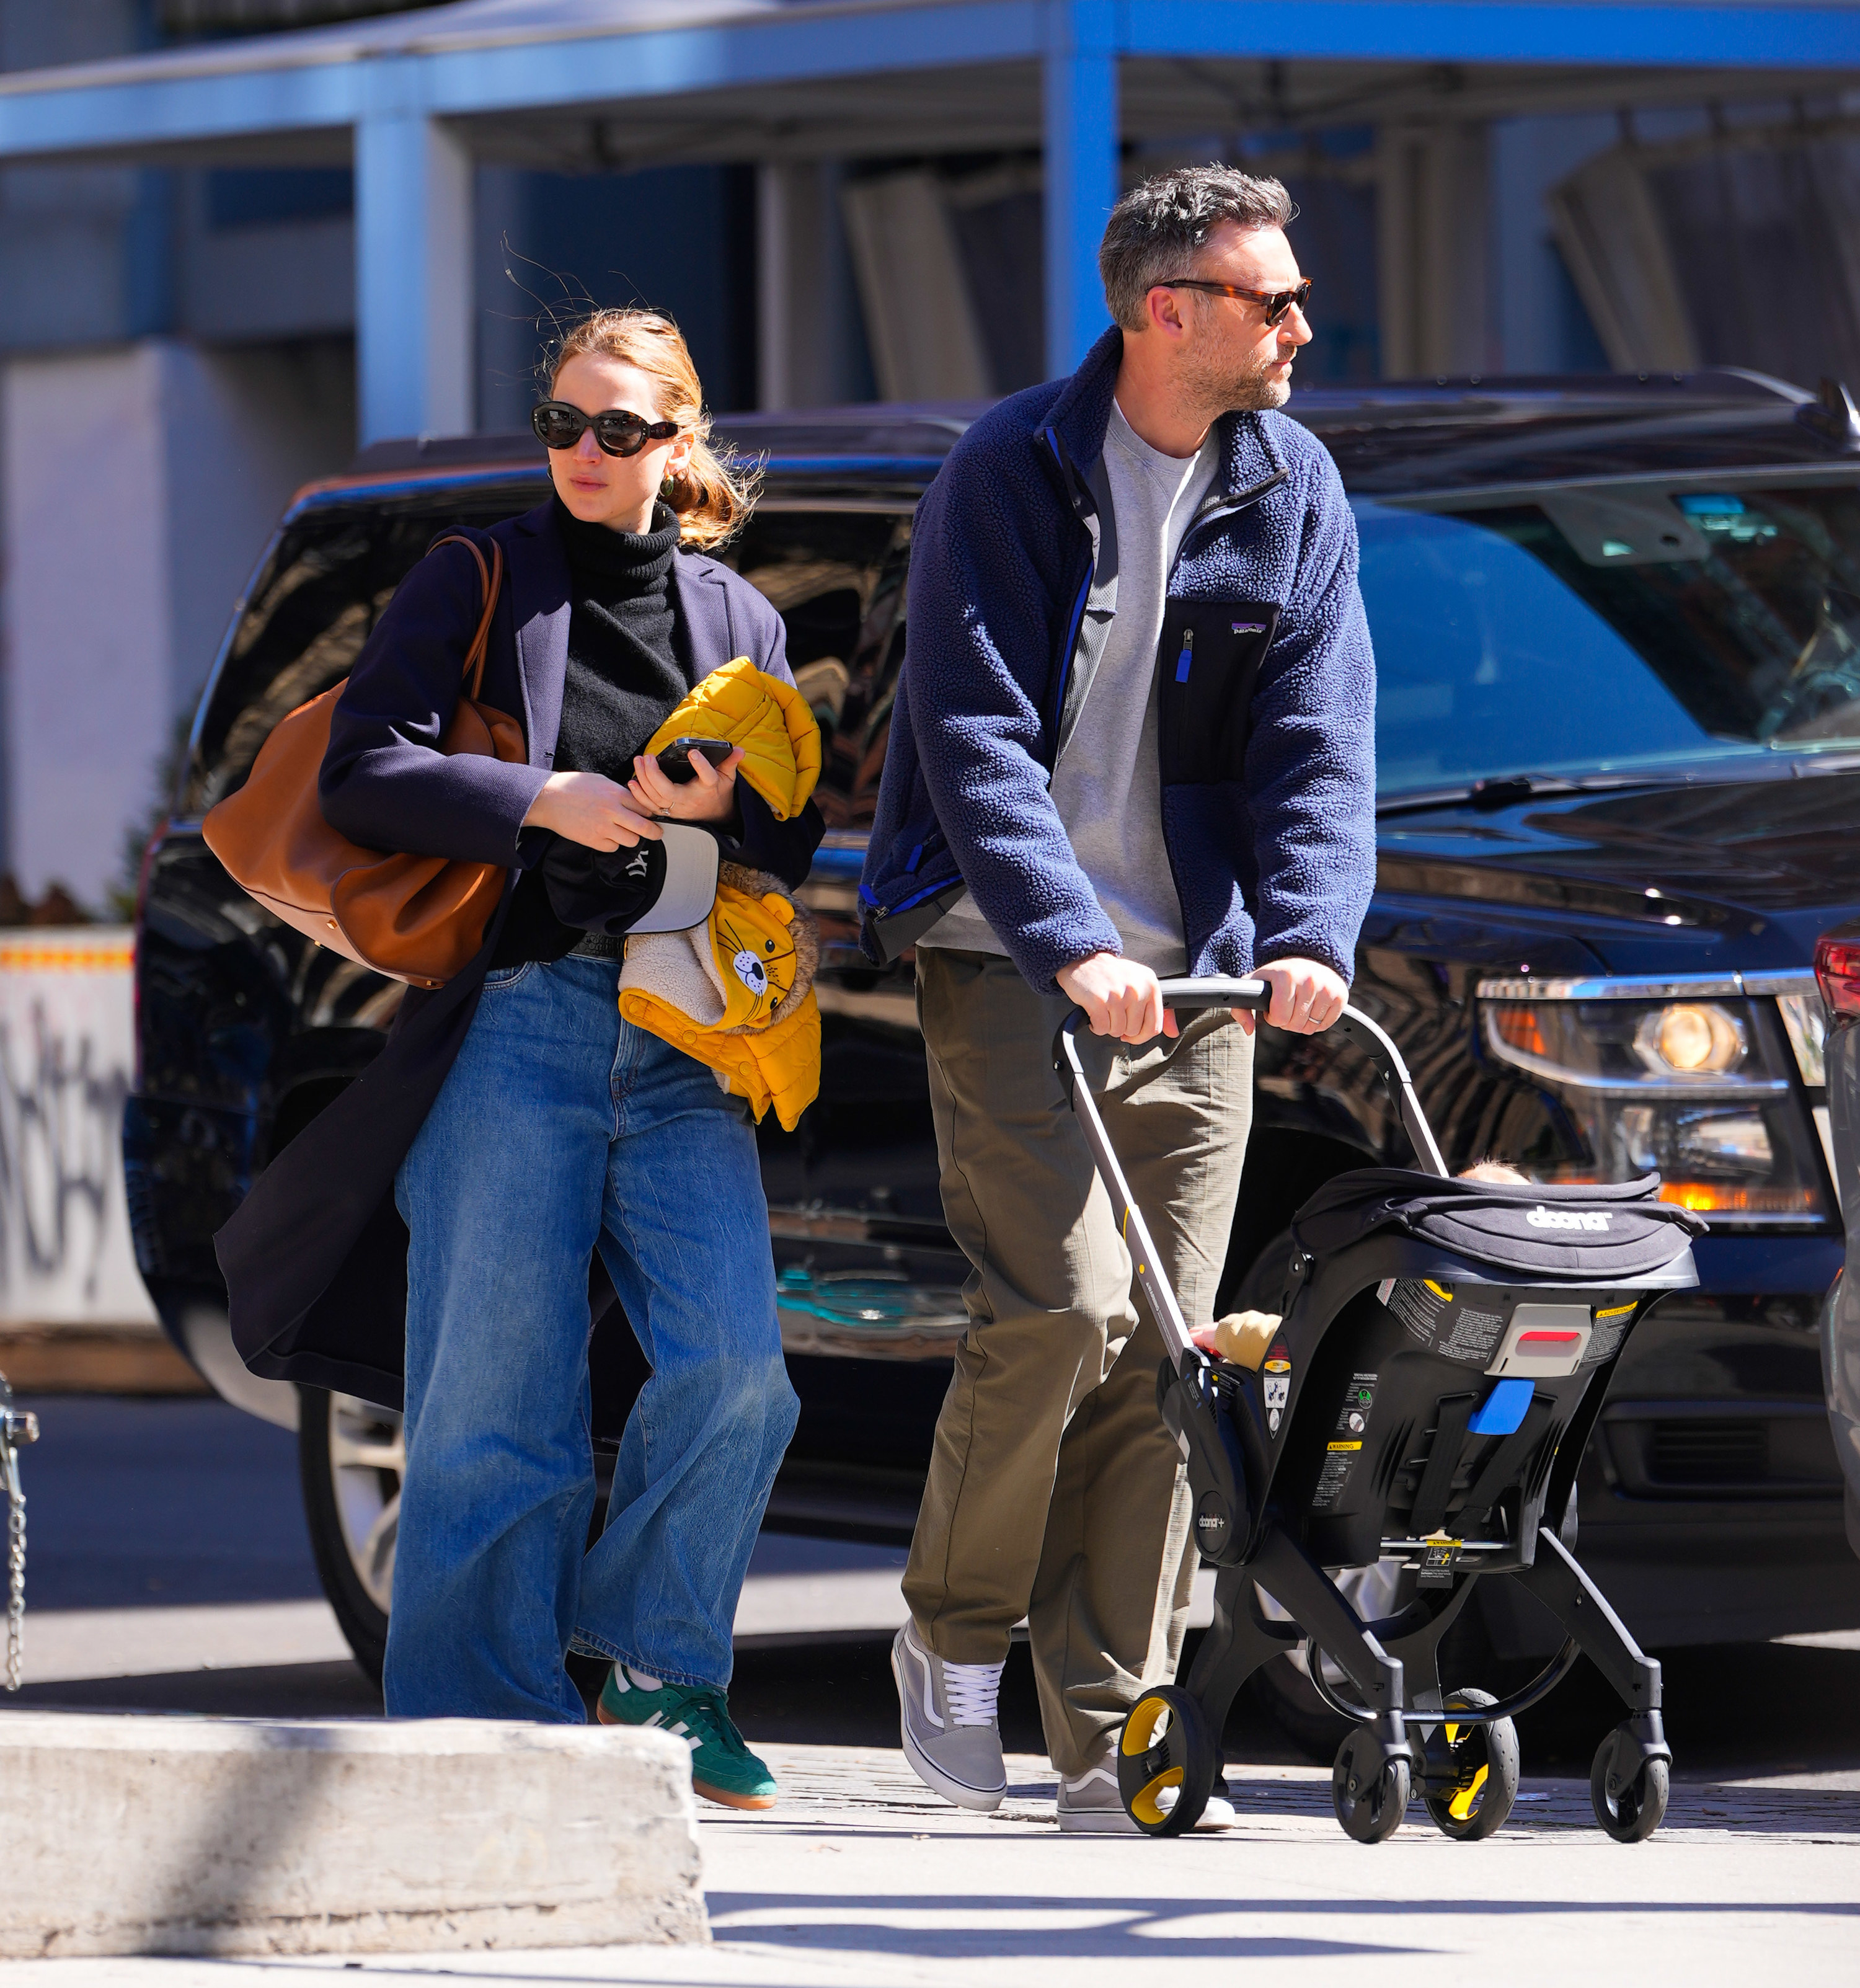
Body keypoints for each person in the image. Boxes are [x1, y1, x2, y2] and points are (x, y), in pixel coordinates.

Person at [859, 166, 1377, 1832]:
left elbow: (1318, 736)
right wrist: (1070, 938)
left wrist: (1309, 929)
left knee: (1177, 1349)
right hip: (1015, 952)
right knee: (1065, 1306)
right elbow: (972, 733)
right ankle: (949, 1629)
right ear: (1169, 312)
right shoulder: (1007, 472)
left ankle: (1113, 1730)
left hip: (1203, 968)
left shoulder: (1292, 482)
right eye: (1269, 299)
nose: (1302, 323)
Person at [298, 308, 817, 1804]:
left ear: (678, 447)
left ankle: (656, 1674)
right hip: (517, 1018)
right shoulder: (476, 576)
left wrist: (724, 811)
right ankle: (478, 1740)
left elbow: (794, 828)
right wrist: (544, 800)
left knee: (737, 1369)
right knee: (495, 1409)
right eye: (562, 424)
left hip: (677, 1031)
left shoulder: (741, 623)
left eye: (619, 430)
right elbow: (364, 764)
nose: (583, 454)